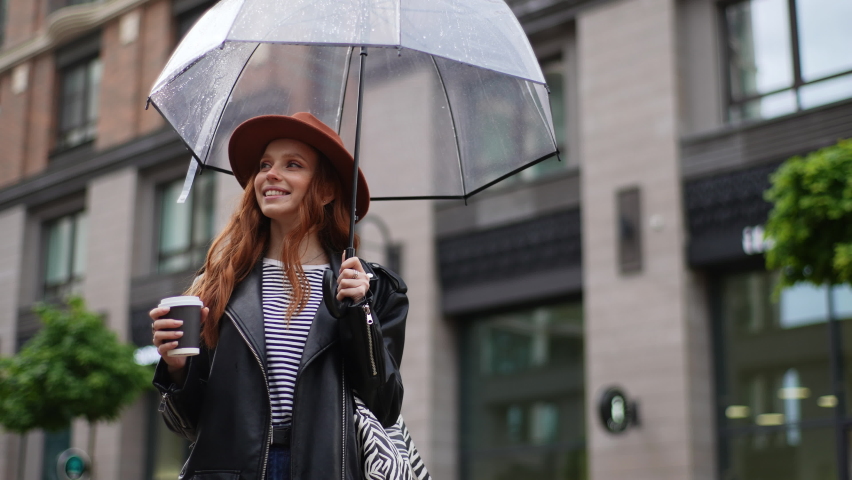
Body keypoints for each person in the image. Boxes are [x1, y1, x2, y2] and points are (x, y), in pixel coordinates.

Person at [150, 112, 408, 480]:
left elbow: (384, 407)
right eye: (265, 164)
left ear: (328, 189)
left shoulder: (376, 289)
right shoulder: (221, 283)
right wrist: (177, 368)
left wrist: (359, 312)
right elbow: (189, 426)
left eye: (293, 165)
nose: (270, 174)